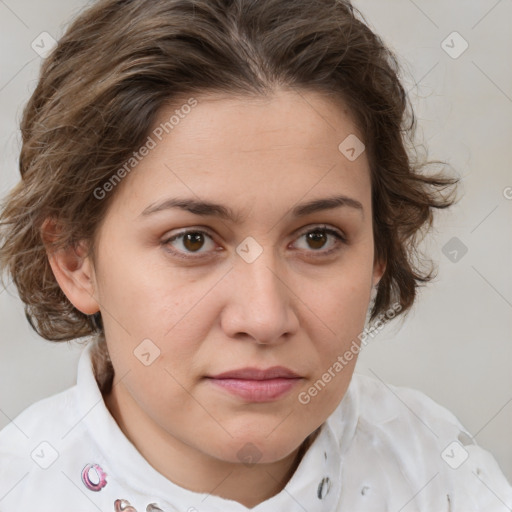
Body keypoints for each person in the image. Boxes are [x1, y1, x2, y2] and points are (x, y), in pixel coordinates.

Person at [0, 0, 511, 510]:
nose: (265, 318)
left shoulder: (438, 473)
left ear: (380, 248)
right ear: (75, 261)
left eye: (317, 238)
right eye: (192, 240)